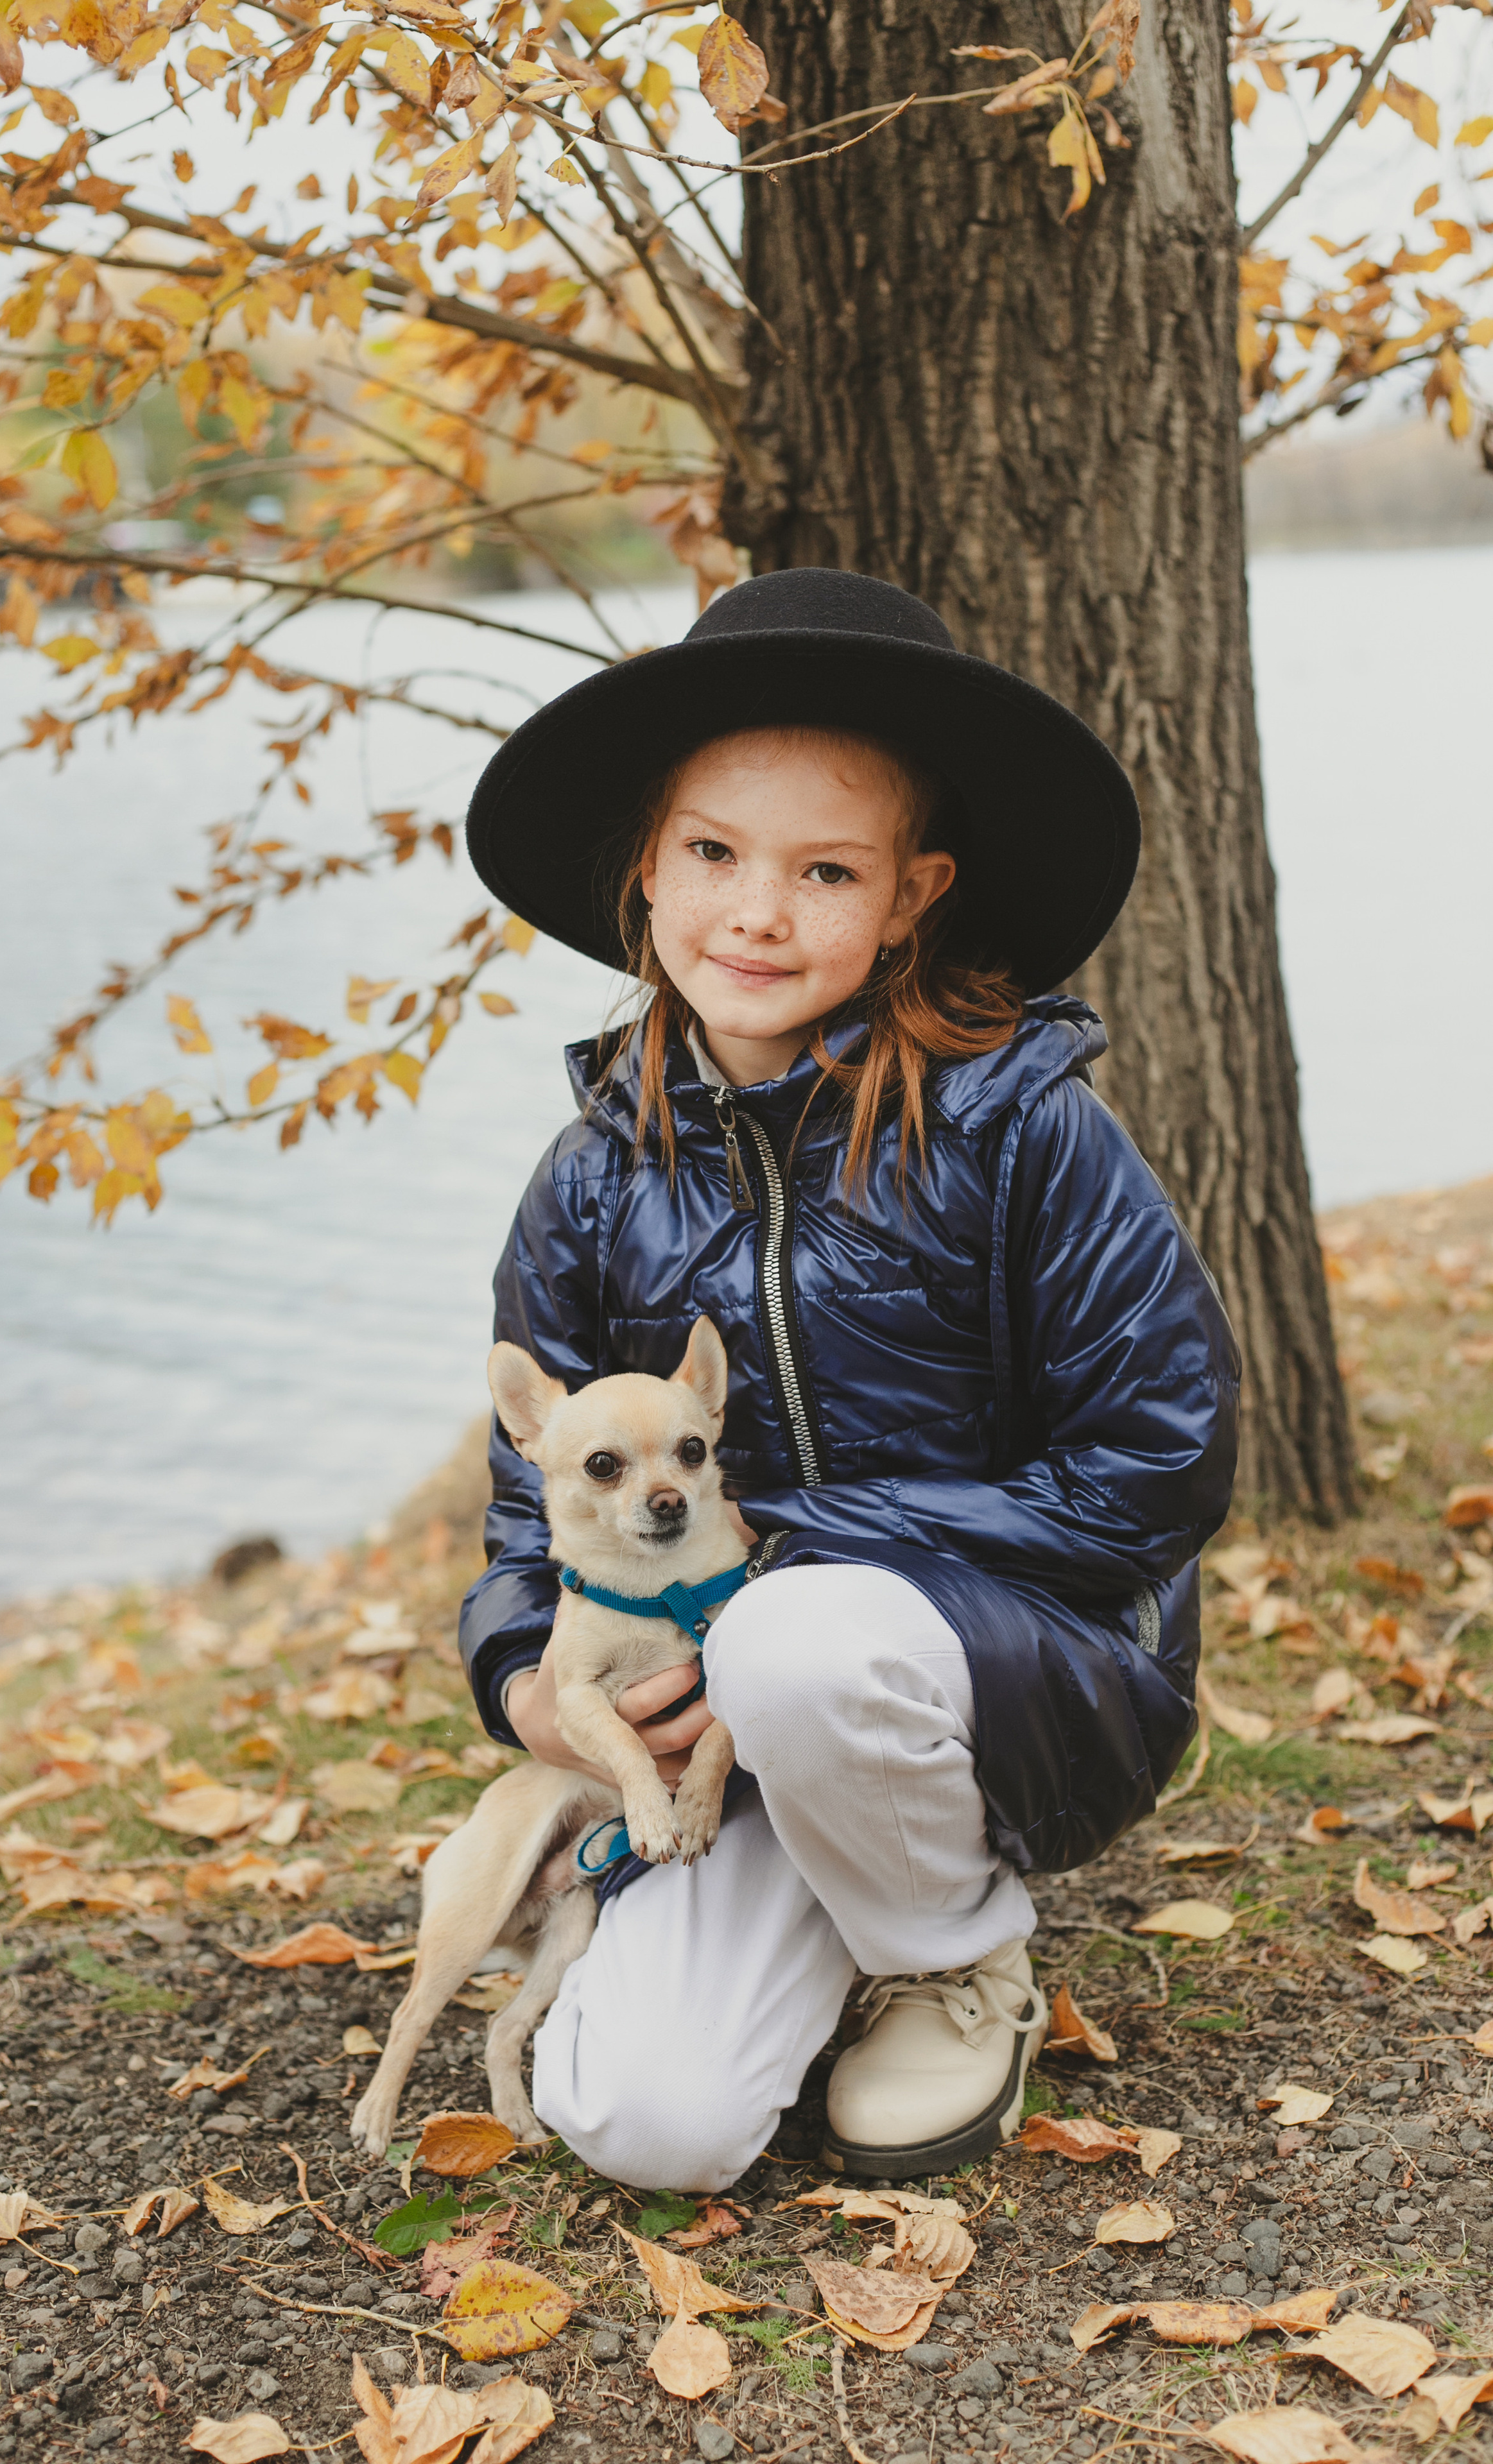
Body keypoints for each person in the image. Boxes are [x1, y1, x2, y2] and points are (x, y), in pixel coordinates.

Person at [457, 568, 1239, 2192]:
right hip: (738, 1717)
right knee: (646, 2122)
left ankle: (954, 1952)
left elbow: (1157, 1471)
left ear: (908, 896)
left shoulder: (1023, 1128)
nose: (755, 912)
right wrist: (531, 1685)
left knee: (791, 1630)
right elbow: (529, 1521)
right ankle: (797, 1911)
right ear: (648, 870)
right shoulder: (593, 1179)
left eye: (824, 870)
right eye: (713, 855)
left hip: (1029, 1679)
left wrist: (790, 1549)